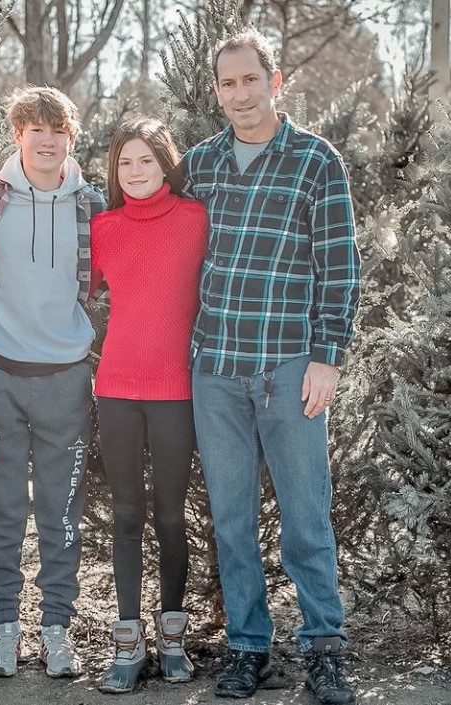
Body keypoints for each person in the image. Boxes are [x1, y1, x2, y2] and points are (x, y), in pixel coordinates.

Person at [181, 30, 361, 705]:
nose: (239, 94)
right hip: (216, 369)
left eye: (249, 80)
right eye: (227, 84)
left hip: (289, 367)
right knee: (231, 518)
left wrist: (327, 358)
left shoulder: (315, 160)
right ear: (217, 91)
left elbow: (340, 266)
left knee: (304, 517)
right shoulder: (198, 164)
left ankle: (323, 649)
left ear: (274, 80)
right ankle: (247, 647)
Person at [0, 85, 105, 679]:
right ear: (18, 136)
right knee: (1, 511)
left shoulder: (91, 206)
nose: (47, 141)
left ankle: (56, 629)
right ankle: (4, 630)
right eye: (35, 130)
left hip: (66, 379)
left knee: (61, 512)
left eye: (58, 131)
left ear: (70, 140)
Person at [89, 116, 207, 694]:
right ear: (114, 170)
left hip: (177, 393)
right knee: (127, 516)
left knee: (168, 515)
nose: (135, 173)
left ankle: (173, 640)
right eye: (124, 163)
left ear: (166, 163)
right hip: (115, 389)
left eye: (146, 161)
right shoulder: (103, 227)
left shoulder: (196, 220)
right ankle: (128, 642)